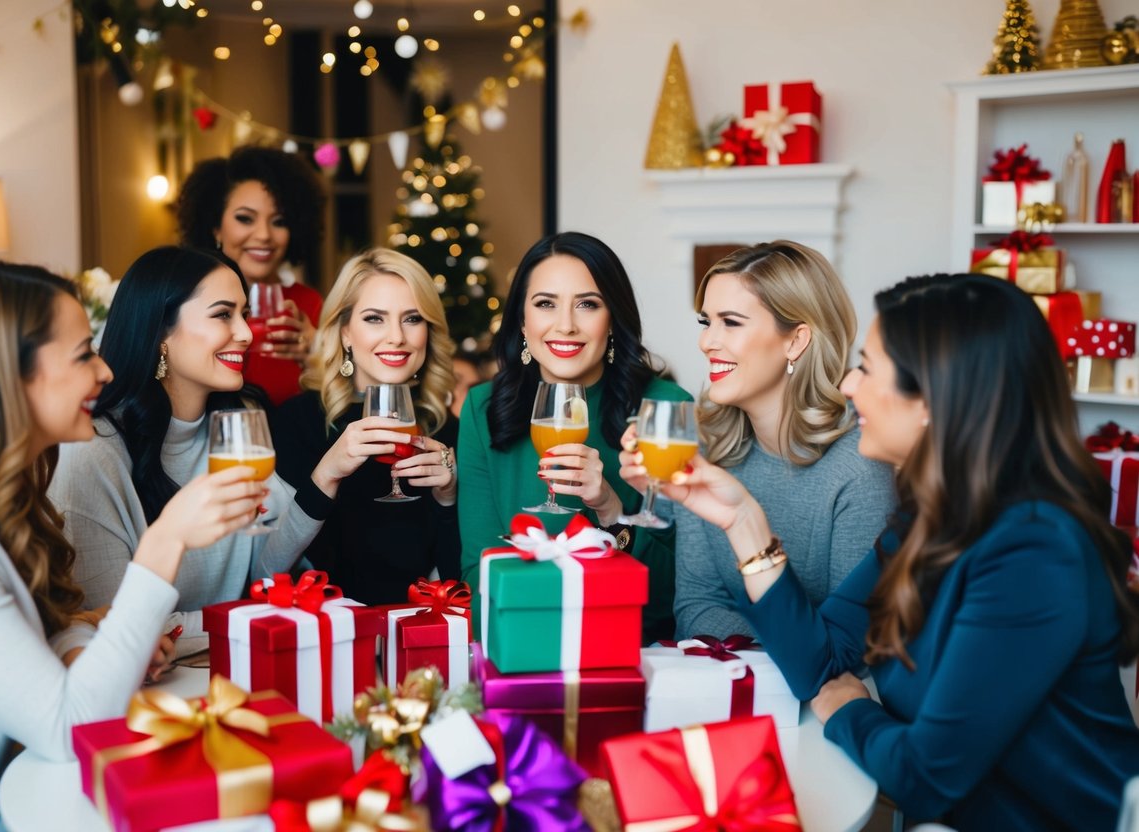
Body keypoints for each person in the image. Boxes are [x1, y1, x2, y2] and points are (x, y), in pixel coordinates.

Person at [650, 273, 1139, 830]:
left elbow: (923, 775)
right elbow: (822, 658)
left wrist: (848, 708)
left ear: (933, 397)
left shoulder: (1035, 552)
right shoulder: (928, 519)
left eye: (868, 368)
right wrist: (742, 520)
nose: (849, 385)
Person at [0, 262, 263, 829]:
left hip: (10, 775)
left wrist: (89, 636)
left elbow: (46, 630)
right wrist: (166, 540)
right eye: (84, 354)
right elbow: (71, 728)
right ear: (10, 376)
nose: (105, 370)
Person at [49, 246, 344, 657]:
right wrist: (250, 617)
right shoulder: (94, 453)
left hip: (231, 666)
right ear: (162, 333)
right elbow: (118, 621)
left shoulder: (239, 423)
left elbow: (265, 570)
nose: (246, 333)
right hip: (147, 689)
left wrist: (326, 478)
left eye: (243, 313)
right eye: (224, 314)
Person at [623, 242, 895, 640]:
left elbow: (849, 645)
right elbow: (696, 605)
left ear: (796, 340)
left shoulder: (859, 465)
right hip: (734, 680)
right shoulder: (703, 445)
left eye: (731, 322)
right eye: (706, 322)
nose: (706, 342)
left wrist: (759, 644)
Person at [457, 231, 691, 643]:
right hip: (518, 647)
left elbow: (674, 592)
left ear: (613, 320)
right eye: (545, 304)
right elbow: (480, 572)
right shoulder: (482, 409)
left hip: (636, 652)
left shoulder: (665, 409)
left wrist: (610, 509)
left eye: (587, 304)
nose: (565, 325)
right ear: (522, 321)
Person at [273, 249, 460, 604]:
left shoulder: (446, 429)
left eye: (412, 319)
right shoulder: (296, 422)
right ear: (345, 332)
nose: (396, 337)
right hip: (328, 639)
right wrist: (327, 474)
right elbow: (272, 572)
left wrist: (448, 499)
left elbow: (457, 581)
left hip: (416, 640)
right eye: (375, 318)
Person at [177, 145, 327, 406]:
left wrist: (321, 353)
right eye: (246, 219)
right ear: (215, 228)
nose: (264, 235)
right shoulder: (186, 301)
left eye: (278, 221)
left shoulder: (309, 306)